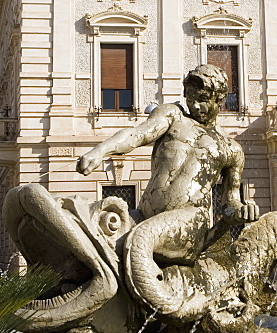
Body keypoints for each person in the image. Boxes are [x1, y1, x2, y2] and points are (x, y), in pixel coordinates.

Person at [77, 64, 259, 317]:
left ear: (220, 100)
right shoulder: (172, 116)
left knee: (140, 239)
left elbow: (230, 204)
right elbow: (137, 135)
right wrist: (100, 151)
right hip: (144, 215)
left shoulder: (230, 149)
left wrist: (241, 211)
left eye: (204, 101)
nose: (196, 106)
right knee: (87, 228)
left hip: (188, 223)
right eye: (192, 99)